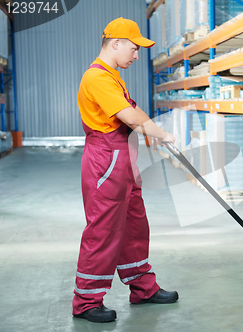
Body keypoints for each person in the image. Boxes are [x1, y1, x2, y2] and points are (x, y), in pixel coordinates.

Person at [72, 17, 177, 323]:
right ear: (115, 44)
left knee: (134, 224)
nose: (135, 55)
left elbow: (134, 110)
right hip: (106, 161)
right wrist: (163, 134)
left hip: (123, 158)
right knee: (103, 229)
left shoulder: (112, 76)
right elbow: (129, 117)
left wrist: (154, 132)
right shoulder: (96, 78)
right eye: (133, 48)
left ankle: (142, 287)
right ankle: (87, 300)